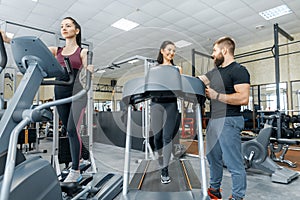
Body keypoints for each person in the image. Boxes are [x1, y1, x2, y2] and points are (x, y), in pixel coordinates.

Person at [1, 17, 93, 183]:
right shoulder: (55, 50)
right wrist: (7, 39)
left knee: (72, 130)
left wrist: (89, 68)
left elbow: (87, 67)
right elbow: (34, 49)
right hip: (60, 93)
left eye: (68, 25)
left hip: (77, 93)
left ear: (76, 31)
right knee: (67, 130)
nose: (64, 28)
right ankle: (77, 159)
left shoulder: (82, 52)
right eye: (62, 26)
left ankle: (75, 170)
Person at [198, 37, 250, 200]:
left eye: (214, 51)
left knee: (233, 162)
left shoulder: (238, 70)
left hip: (229, 119)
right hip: (213, 121)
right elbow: (198, 80)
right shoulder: (215, 72)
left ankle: (237, 196)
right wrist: (173, 74)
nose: (213, 55)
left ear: (224, 50)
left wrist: (217, 95)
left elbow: (243, 98)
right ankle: (214, 190)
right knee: (212, 158)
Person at [150, 40, 182, 184]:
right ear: (162, 50)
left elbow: (180, 87)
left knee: (167, 137)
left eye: (174, 51)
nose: (171, 53)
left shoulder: (177, 69)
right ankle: (160, 159)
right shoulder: (154, 69)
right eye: (169, 50)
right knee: (157, 137)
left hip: (171, 104)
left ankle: (165, 169)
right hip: (156, 104)